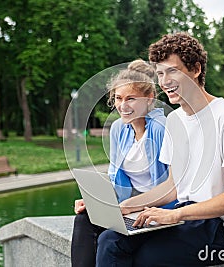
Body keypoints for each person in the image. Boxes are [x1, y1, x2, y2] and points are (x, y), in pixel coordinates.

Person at [96, 32, 224, 266]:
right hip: (186, 216)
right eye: (160, 73)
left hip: (220, 227)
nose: (164, 81)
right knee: (110, 240)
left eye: (172, 71)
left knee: (146, 258)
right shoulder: (175, 120)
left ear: (196, 69)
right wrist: (125, 207)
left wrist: (175, 214)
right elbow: (173, 186)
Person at [71, 59, 174, 267]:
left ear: (149, 98)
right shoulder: (119, 128)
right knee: (83, 219)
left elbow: (175, 187)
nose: (122, 105)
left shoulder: (162, 129)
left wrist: (131, 206)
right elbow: (114, 176)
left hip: (157, 211)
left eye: (131, 99)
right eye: (118, 98)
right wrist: (95, 201)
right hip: (127, 209)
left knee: (108, 240)